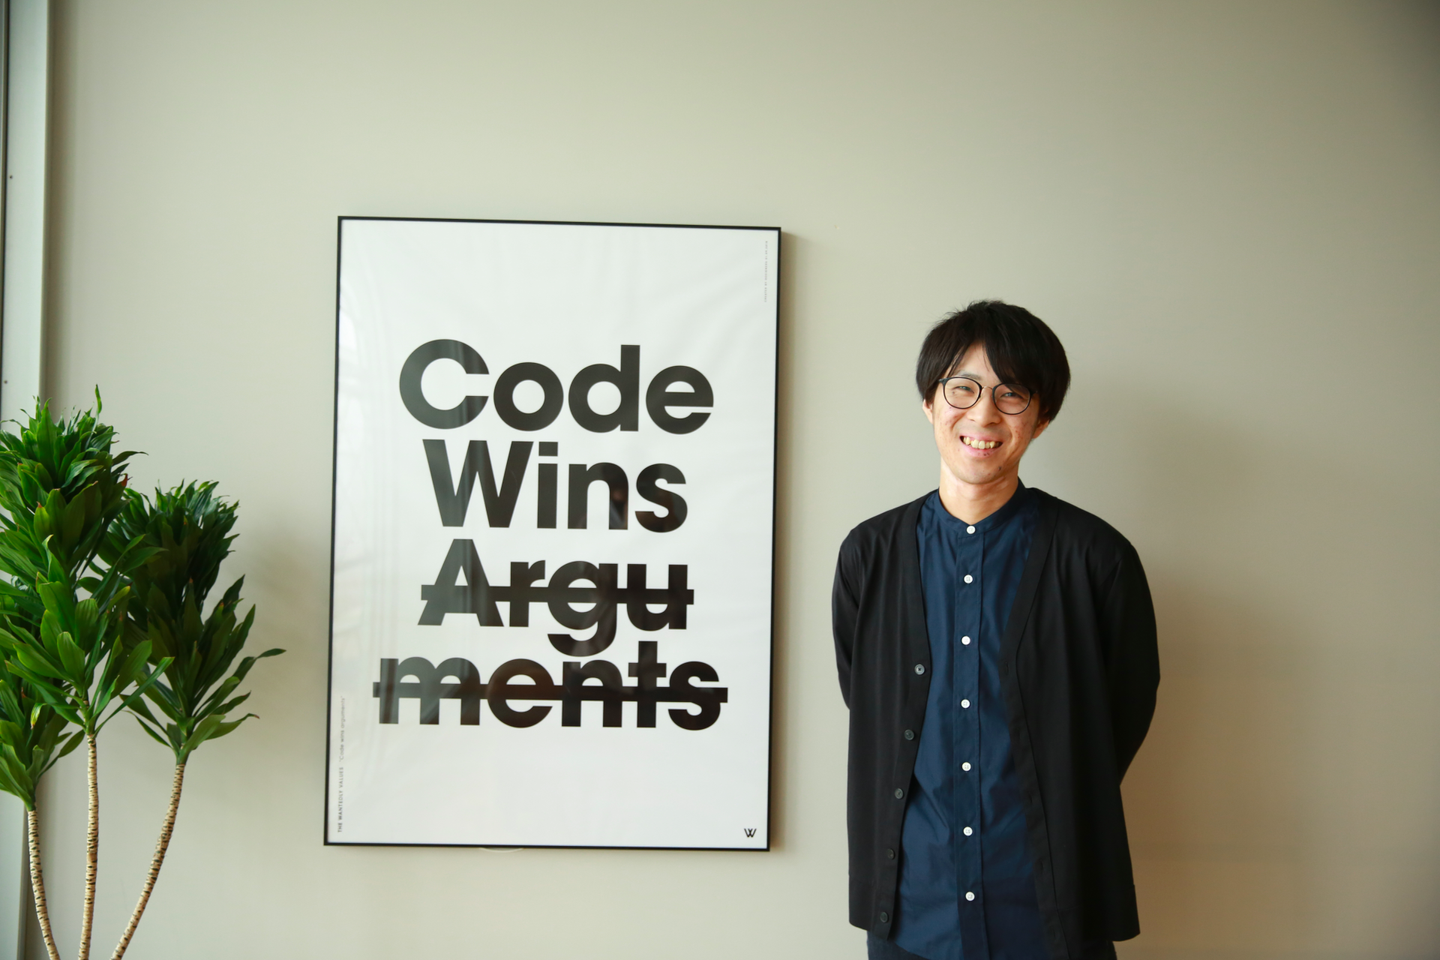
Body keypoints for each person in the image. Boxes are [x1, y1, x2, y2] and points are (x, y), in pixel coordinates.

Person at [832, 301, 1159, 960]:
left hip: (1050, 911)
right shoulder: (870, 554)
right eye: (963, 388)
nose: (983, 414)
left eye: (1011, 395)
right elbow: (864, 696)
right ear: (930, 402)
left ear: (1042, 417)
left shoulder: (1097, 558)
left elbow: (1119, 719)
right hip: (912, 909)